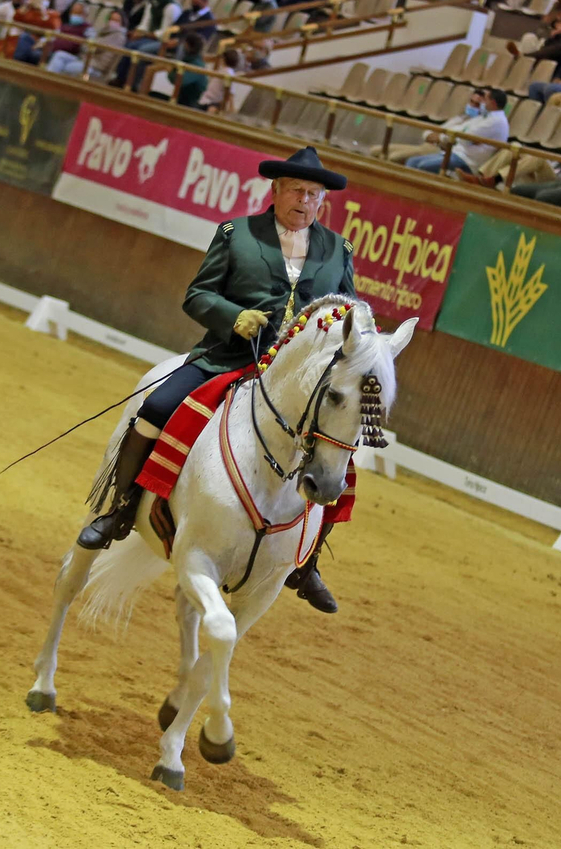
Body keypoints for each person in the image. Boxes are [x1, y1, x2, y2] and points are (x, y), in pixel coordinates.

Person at [76, 148, 355, 613]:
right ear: (276, 191)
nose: (304, 202)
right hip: (228, 356)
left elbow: (346, 315)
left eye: (314, 194)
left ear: (322, 200)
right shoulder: (237, 234)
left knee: (339, 452)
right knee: (157, 408)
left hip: (297, 381)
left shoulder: (337, 250)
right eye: (296, 191)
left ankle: (306, 564)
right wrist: (232, 316)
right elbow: (198, 294)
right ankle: (119, 509)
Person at [405, 89, 510, 173]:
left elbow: (466, 136)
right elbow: (462, 130)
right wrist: (465, 139)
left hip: (468, 160)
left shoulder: (496, 121)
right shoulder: (485, 116)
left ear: (493, 102)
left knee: (423, 166)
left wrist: (464, 139)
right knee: (412, 161)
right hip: (457, 152)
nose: (483, 103)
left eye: (485, 99)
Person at [47, 9, 127, 80]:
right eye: (111, 19)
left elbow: (93, 47)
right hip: (84, 60)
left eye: (116, 20)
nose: (112, 22)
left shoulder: (118, 36)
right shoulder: (104, 32)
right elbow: (85, 46)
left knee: (64, 67)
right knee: (59, 55)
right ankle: (46, 81)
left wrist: (88, 45)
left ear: (122, 23)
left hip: (95, 67)